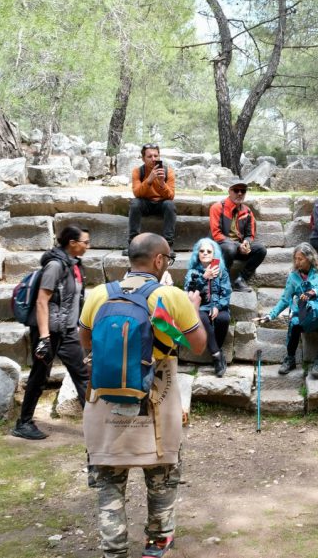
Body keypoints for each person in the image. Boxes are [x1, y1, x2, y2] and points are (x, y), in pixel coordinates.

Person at [80, 233, 206, 558]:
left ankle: (114, 552)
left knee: (109, 487)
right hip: (156, 406)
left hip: (105, 405)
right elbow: (199, 345)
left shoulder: (99, 294)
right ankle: (155, 549)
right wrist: (192, 308)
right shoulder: (171, 296)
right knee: (162, 483)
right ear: (160, 261)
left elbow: (85, 341)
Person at [12, 226, 91, 440]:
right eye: (85, 241)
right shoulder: (55, 266)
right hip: (48, 331)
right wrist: (44, 338)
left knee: (83, 374)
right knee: (39, 376)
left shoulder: (76, 266)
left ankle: (96, 424)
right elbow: (41, 301)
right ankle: (24, 423)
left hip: (67, 331)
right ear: (72, 243)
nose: (87, 245)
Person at [263, 243, 318, 379]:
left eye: (300, 259)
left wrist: (315, 291)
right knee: (294, 323)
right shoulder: (293, 277)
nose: (297, 262)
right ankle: (290, 359)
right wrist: (270, 315)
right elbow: (285, 299)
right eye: (295, 258)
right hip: (302, 312)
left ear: (309, 258)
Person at [183, 238, 232, 377]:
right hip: (200, 307)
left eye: (209, 251)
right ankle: (217, 355)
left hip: (218, 306)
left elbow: (226, 292)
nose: (205, 253)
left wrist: (217, 306)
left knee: (224, 319)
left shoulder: (221, 271)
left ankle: (216, 348)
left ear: (214, 254)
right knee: (202, 318)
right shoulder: (192, 272)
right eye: (202, 251)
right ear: (197, 254)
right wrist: (204, 277)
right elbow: (189, 292)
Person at [209, 180, 267, 293]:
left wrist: (246, 243)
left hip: (239, 248)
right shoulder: (217, 208)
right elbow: (216, 235)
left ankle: (241, 280)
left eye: (243, 191)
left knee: (261, 250)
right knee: (230, 248)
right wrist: (238, 245)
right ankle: (222, 280)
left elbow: (250, 235)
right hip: (221, 246)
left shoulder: (247, 211)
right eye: (236, 190)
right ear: (229, 191)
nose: (240, 193)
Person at [126, 143, 176, 255]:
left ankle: (168, 245)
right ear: (143, 158)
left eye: (156, 156)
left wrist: (162, 183)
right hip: (145, 202)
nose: (153, 159)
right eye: (149, 156)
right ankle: (133, 244)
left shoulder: (168, 172)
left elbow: (171, 196)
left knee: (170, 205)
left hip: (162, 203)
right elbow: (137, 193)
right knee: (135, 204)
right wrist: (149, 180)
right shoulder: (138, 172)